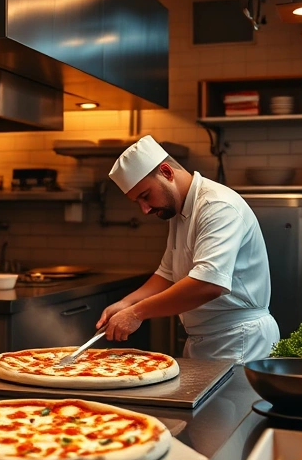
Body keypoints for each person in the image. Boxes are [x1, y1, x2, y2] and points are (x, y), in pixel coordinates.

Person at [95, 135, 280, 363]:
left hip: (239, 340)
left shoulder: (217, 206)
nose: (145, 209)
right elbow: (167, 274)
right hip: (205, 341)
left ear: (166, 172)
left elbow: (209, 284)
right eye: (138, 202)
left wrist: (136, 313)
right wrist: (127, 303)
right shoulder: (179, 212)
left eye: (145, 196)